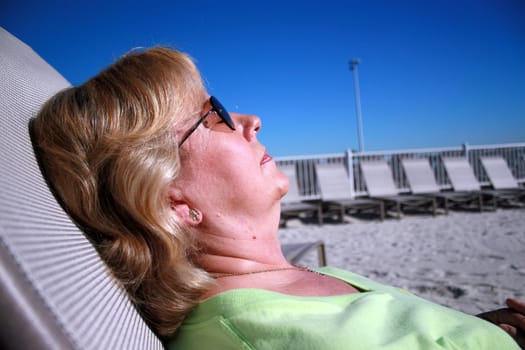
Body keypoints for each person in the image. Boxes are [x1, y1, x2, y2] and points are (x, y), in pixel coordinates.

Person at [32, 47, 524, 350]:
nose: (252, 120)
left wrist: (473, 332)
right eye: (216, 114)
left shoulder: (283, 292)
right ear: (173, 203)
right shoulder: (275, 336)